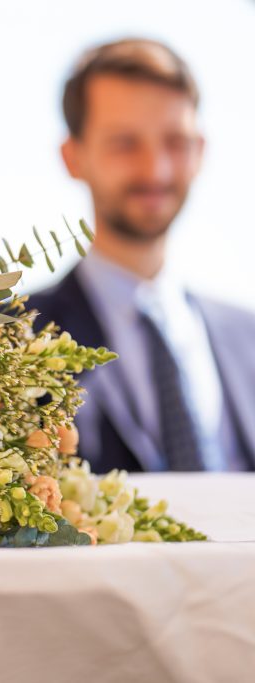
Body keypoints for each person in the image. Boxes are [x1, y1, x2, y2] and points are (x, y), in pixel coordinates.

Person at [30, 38, 255, 473]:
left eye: (175, 141)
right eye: (125, 143)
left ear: (200, 151)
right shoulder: (13, 344)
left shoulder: (249, 339)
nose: (156, 170)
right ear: (72, 157)